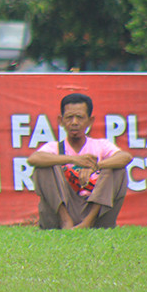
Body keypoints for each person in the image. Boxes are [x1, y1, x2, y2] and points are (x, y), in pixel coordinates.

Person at [27, 92, 131, 229]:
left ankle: (88, 222)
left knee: (117, 169)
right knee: (43, 166)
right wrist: (74, 160)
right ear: (60, 120)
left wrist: (97, 166)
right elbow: (33, 159)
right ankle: (66, 221)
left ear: (90, 121)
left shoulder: (101, 145)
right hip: (60, 214)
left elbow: (126, 157)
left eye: (80, 117)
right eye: (69, 117)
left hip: (97, 213)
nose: (74, 122)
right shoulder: (53, 147)